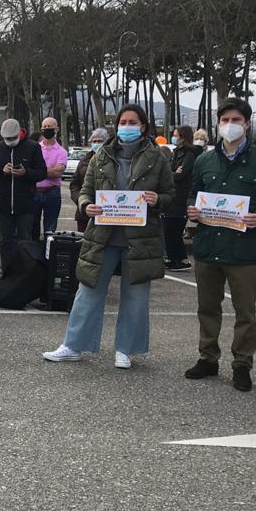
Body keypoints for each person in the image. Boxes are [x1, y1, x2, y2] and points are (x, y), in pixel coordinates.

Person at [43, 103, 174, 369]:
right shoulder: (102, 155)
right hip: (102, 235)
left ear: (144, 126)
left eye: (132, 122)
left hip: (140, 238)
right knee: (88, 291)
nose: (126, 127)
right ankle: (74, 345)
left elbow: (171, 196)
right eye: (123, 122)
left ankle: (126, 349)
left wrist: (158, 199)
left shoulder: (157, 157)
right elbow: (85, 190)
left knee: (136, 296)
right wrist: (85, 205)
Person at [184, 97, 256, 392]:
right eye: (225, 120)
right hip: (208, 247)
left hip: (244, 250)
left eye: (236, 120)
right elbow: (193, 194)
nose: (230, 125)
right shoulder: (204, 160)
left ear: (247, 123)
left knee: (245, 313)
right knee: (207, 308)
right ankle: (208, 357)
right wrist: (192, 209)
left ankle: (242, 364)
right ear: (217, 123)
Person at [0, 117, 47, 270]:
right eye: (6, 138)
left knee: (25, 240)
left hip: (25, 202)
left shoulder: (32, 147)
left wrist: (26, 173)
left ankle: (24, 274)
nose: (10, 141)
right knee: (5, 240)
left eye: (12, 138)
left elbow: (42, 172)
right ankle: (6, 271)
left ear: (19, 133)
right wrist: (2, 171)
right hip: (4, 204)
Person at [162, 125, 198, 272]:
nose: (174, 137)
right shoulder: (176, 152)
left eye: (176, 135)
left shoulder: (189, 154)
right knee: (168, 230)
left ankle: (181, 260)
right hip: (173, 197)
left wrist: (171, 173)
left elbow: (179, 175)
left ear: (182, 136)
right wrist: (172, 172)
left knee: (175, 230)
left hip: (180, 197)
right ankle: (173, 258)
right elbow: (169, 171)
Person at [34, 117, 67, 238]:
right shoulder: (34, 148)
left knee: (50, 229)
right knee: (33, 227)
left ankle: (48, 255)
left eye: (50, 126)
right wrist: (49, 170)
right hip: (34, 192)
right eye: (45, 127)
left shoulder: (62, 151)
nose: (47, 129)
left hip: (52, 193)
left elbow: (58, 172)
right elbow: (30, 169)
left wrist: (38, 171)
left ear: (57, 129)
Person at [71, 128, 108, 232]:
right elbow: (74, 184)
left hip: (107, 211)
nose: (96, 143)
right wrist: (82, 202)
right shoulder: (84, 160)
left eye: (100, 141)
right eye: (94, 141)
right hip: (84, 213)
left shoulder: (113, 159)